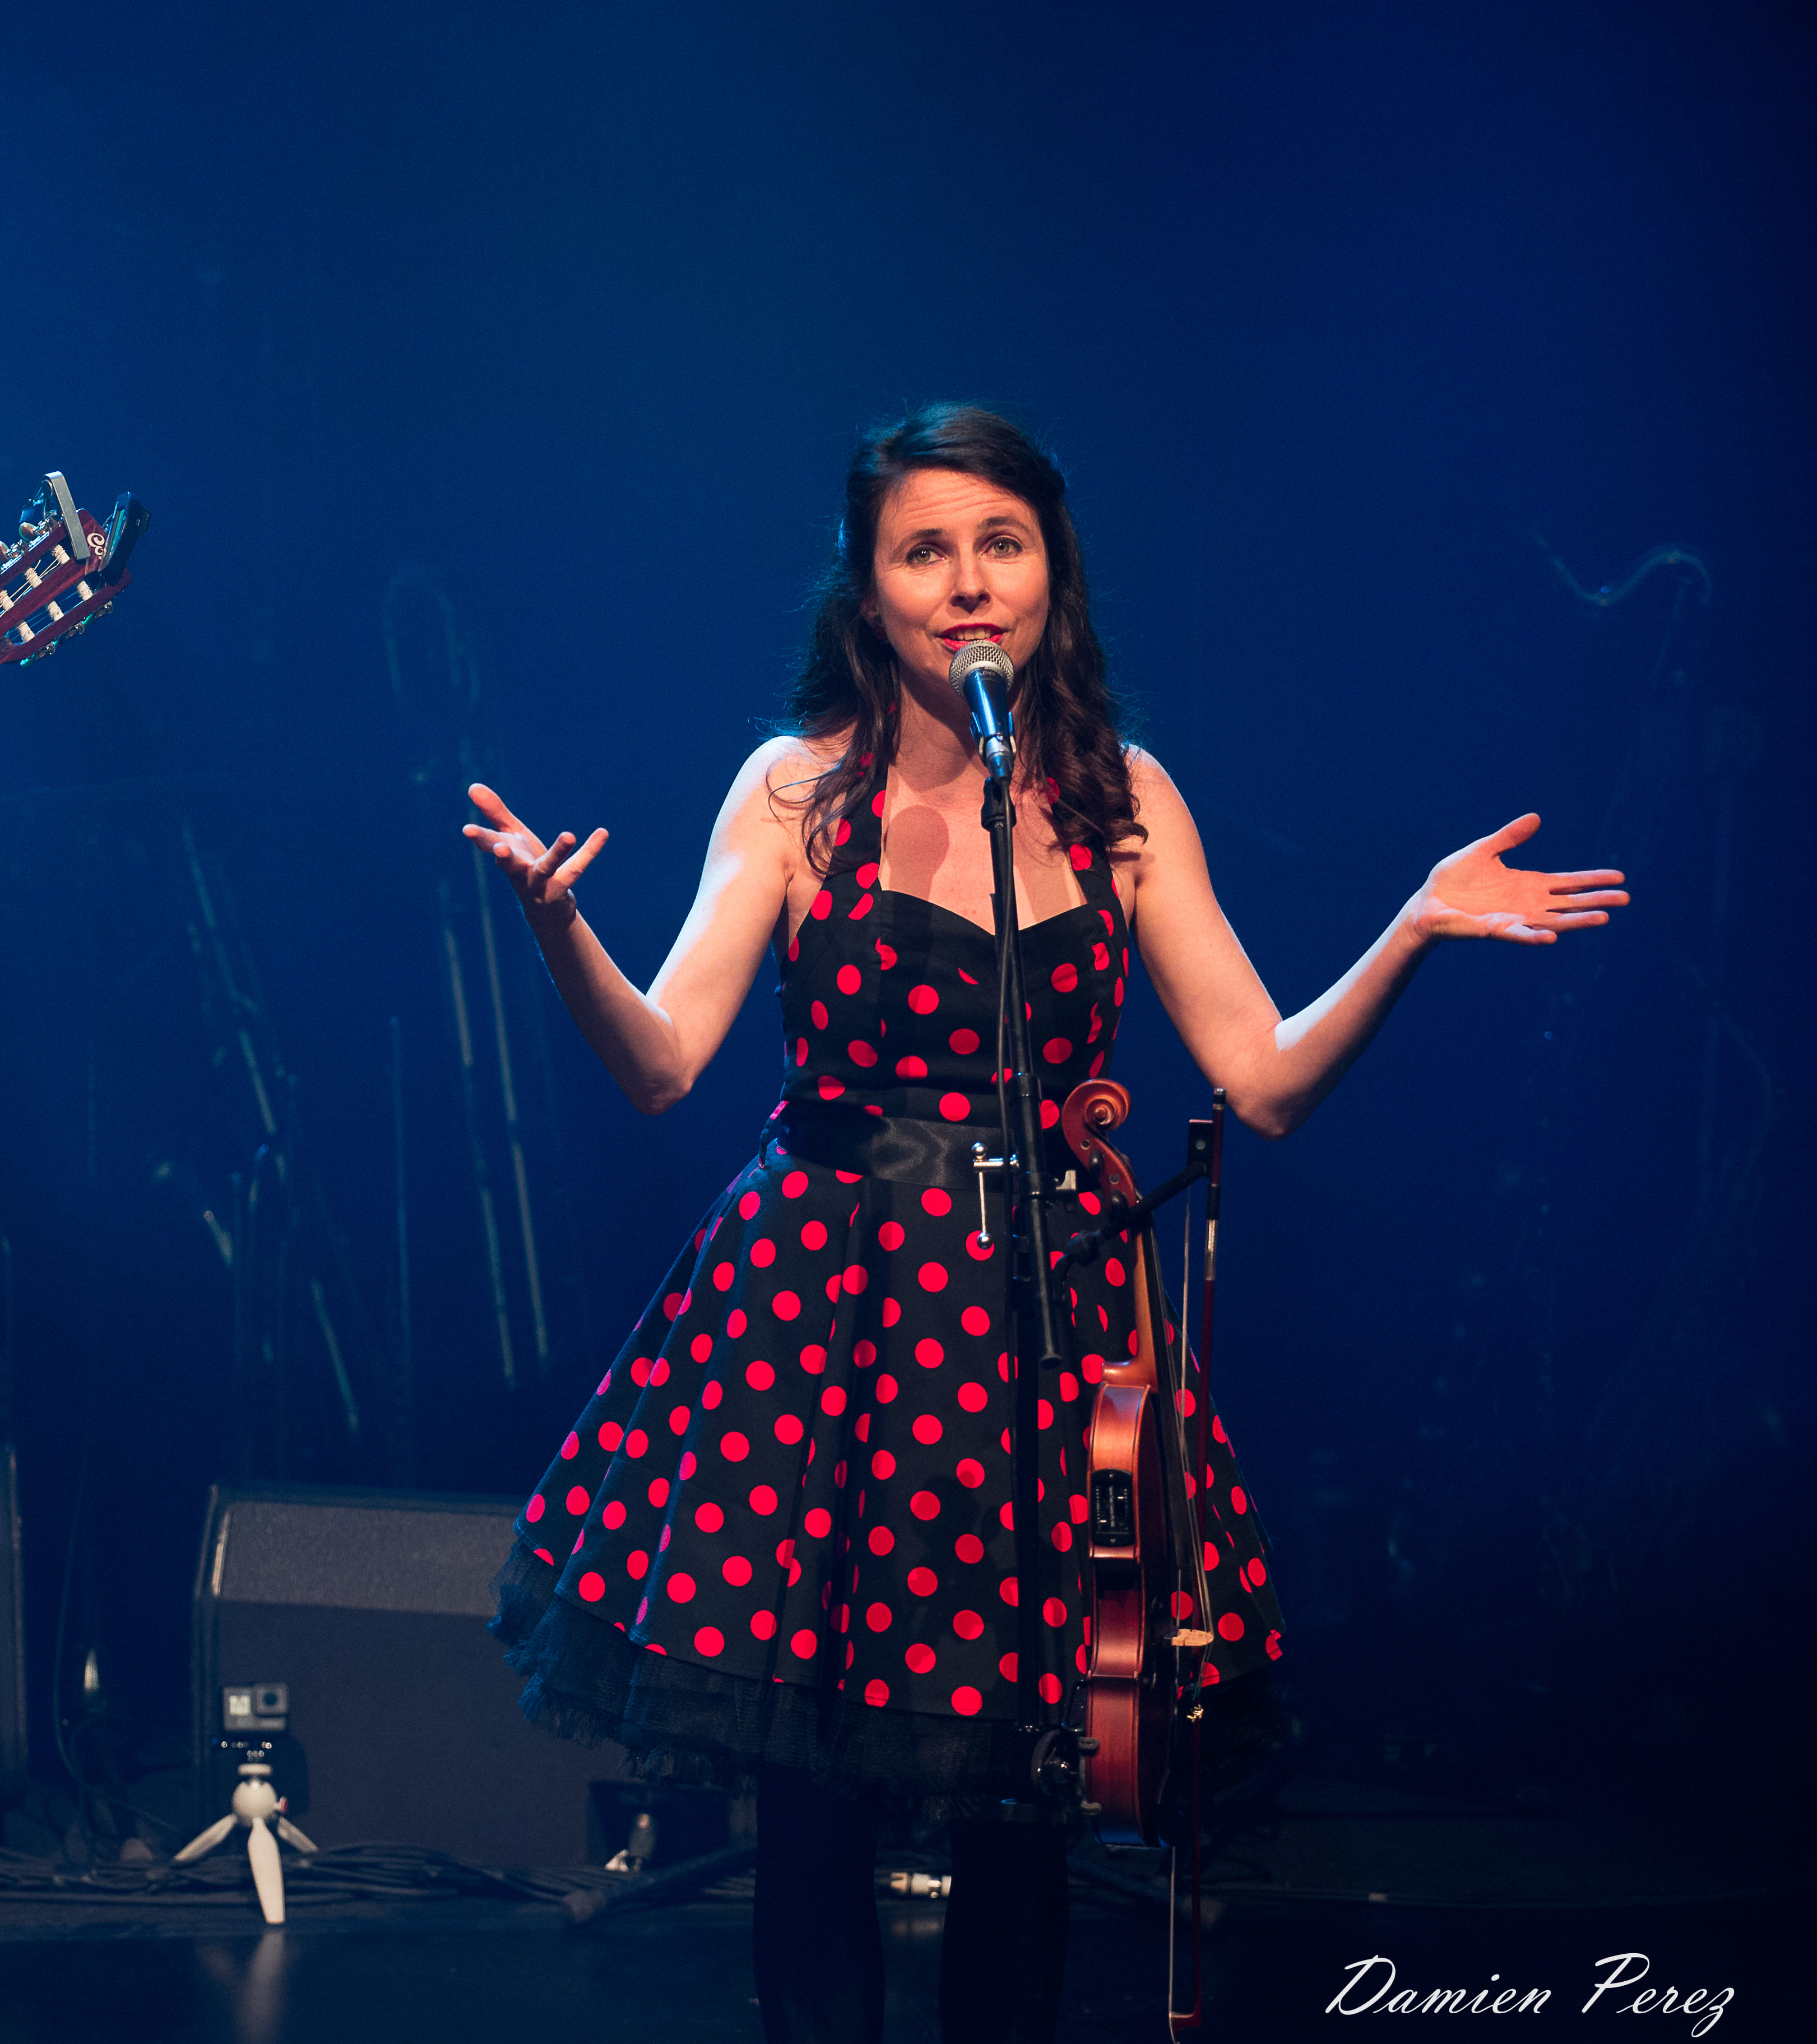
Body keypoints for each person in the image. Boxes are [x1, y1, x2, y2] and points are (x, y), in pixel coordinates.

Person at [467, 403, 1625, 2043]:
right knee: (813, 1774)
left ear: (1050, 572)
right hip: (823, 1320)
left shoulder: (1122, 800)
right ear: (868, 590)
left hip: (1042, 1316)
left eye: (998, 545)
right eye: (923, 553)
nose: (966, 584)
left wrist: (1412, 929)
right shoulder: (794, 793)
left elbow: (1262, 1080)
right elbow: (662, 1062)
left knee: (1031, 1768)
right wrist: (559, 931)